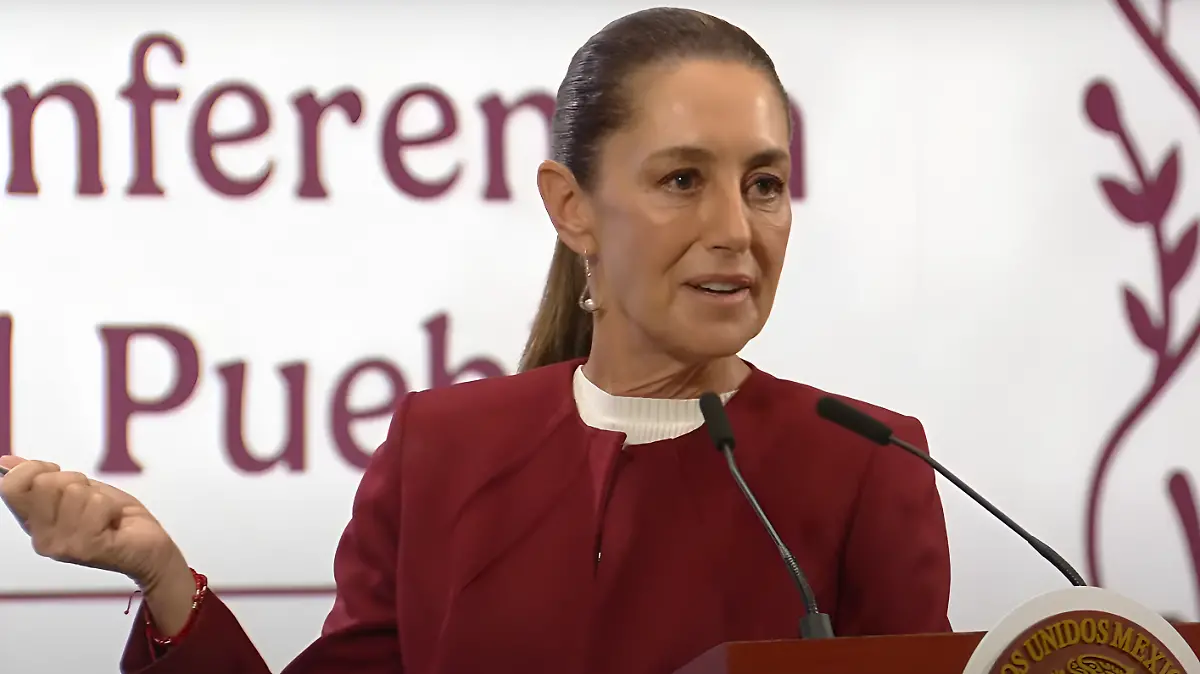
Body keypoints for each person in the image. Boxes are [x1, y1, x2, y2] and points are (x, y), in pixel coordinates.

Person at [0, 7, 952, 674]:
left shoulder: (867, 465)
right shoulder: (442, 450)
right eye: (681, 181)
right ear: (571, 207)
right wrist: (165, 578)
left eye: (764, 184)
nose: (737, 231)